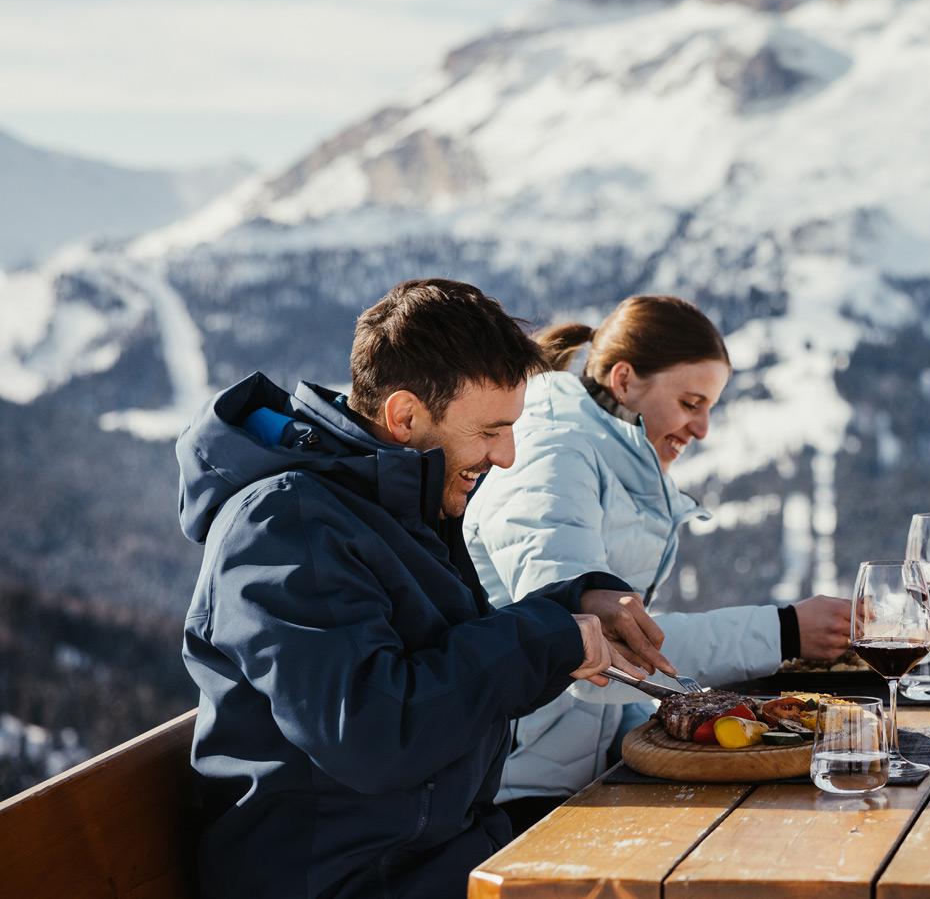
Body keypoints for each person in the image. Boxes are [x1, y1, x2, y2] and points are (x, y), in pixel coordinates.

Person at [178, 278, 675, 899]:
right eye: (490, 431)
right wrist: (545, 638)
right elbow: (372, 733)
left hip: (430, 857)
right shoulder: (286, 526)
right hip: (347, 882)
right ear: (405, 415)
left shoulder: (394, 505)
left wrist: (572, 605)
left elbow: (441, 661)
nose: (507, 456)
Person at [464, 294, 851, 830]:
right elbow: (589, 656)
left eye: (709, 407)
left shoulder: (606, 457)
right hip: (511, 790)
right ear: (624, 381)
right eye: (691, 403)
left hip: (576, 768)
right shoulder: (551, 460)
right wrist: (784, 631)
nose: (702, 428)